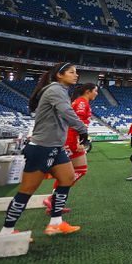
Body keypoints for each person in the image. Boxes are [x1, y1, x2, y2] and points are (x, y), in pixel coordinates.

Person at [0, 62, 89, 237]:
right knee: (27, 190)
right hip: (41, 147)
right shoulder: (55, 90)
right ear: (59, 75)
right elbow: (66, 111)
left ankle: (56, 223)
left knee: (67, 178)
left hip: (55, 147)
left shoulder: (60, 91)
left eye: (76, 72)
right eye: (72, 72)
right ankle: (7, 230)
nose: (76, 75)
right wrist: (82, 129)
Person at [42, 82, 97, 214]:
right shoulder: (82, 102)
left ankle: (55, 202)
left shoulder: (80, 101)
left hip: (70, 137)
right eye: (95, 91)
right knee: (79, 170)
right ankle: (54, 199)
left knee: (71, 172)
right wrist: (78, 141)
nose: (96, 94)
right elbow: (76, 120)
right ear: (88, 91)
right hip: (72, 139)